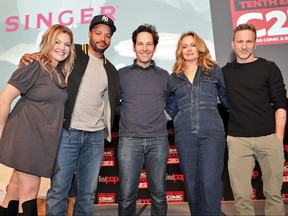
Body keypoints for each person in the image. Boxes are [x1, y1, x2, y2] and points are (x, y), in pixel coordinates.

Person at [17, 15, 119, 216]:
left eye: (107, 35)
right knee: (58, 191)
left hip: (95, 138)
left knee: (88, 193)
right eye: (98, 33)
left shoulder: (111, 69)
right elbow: (50, 56)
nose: (102, 38)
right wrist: (31, 57)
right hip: (67, 134)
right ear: (89, 33)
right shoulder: (73, 53)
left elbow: (113, 105)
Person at [0, 24, 75, 216]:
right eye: (57, 42)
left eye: (67, 44)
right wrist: (1, 133)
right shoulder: (34, 65)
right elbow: (4, 98)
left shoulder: (59, 72)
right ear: (47, 42)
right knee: (30, 192)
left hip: (42, 141)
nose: (62, 48)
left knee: (14, 190)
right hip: (25, 136)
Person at [222, 23, 287, 216]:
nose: (244, 46)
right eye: (240, 41)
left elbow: (280, 104)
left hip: (269, 138)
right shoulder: (225, 72)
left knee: (274, 194)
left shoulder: (269, 68)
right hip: (237, 141)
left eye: (248, 41)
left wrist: (278, 138)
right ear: (233, 44)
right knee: (241, 197)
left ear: (255, 44)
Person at [166, 31, 228, 215]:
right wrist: (182, 117)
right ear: (180, 51)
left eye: (192, 45)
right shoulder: (174, 77)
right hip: (185, 135)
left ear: (199, 47)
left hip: (212, 133)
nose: (189, 49)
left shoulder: (213, 69)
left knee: (210, 182)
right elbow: (171, 106)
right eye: (184, 46)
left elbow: (226, 98)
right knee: (192, 184)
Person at [117, 24, 169, 216]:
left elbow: (169, 104)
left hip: (158, 140)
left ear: (154, 47)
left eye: (149, 44)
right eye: (140, 44)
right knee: (126, 196)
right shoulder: (121, 74)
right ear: (133, 46)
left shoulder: (164, 76)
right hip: (129, 141)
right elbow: (114, 104)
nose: (145, 48)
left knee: (159, 195)